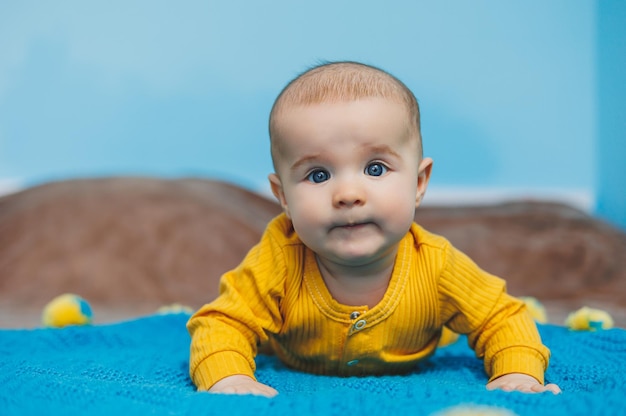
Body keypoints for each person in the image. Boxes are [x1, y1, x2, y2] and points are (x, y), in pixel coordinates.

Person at [187, 61, 562, 397]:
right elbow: (222, 323)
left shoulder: (436, 265)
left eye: (376, 168)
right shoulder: (279, 260)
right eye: (318, 175)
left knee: (515, 315)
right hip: (291, 356)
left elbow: (502, 317)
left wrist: (517, 371)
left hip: (419, 340)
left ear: (418, 182)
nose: (348, 194)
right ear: (282, 196)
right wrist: (229, 378)